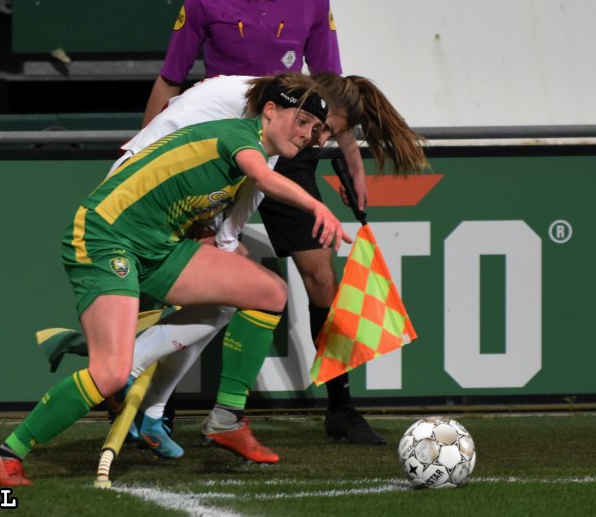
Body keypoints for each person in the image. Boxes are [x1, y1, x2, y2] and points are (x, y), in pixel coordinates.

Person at [0, 76, 352, 486]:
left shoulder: (259, 157)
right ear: (270, 111)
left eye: (314, 127)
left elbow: (238, 205)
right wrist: (318, 207)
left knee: (268, 292)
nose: (307, 134)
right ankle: (6, 453)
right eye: (301, 120)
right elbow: (260, 175)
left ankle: (226, 418)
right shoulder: (239, 138)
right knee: (111, 374)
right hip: (105, 238)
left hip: (159, 248)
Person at [140, 0, 382, 453]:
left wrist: (353, 162)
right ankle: (161, 409)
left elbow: (332, 93)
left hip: (291, 153)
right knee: (190, 277)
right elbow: (170, 82)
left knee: (323, 278)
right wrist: (149, 154)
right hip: (222, 155)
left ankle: (341, 407)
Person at [119, 73, 427, 463]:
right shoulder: (250, 105)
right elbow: (179, 153)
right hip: (144, 197)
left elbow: (247, 190)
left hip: (173, 195)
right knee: (218, 296)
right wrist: (221, 234)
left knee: (234, 295)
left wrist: (226, 241)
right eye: (324, 129)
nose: (319, 140)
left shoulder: (279, 130)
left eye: (326, 134)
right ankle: (131, 377)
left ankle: (155, 411)